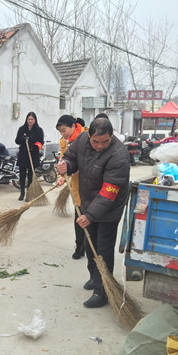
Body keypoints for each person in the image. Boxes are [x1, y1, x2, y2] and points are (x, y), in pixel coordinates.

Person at [57, 117, 130, 308]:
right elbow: (71, 157)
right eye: (95, 141)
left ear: (111, 136)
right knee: (90, 246)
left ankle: (102, 290)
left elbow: (109, 193)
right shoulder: (82, 140)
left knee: (103, 248)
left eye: (105, 141)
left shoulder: (119, 156)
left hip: (109, 208)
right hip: (88, 201)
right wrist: (66, 165)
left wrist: (90, 215)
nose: (99, 146)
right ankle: (94, 277)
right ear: (89, 136)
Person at [56, 115, 88, 260]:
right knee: (78, 214)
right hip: (77, 184)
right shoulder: (64, 142)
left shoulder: (88, 135)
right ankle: (79, 246)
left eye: (64, 130)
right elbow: (64, 159)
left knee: (91, 216)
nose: (63, 134)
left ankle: (90, 246)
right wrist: (62, 174)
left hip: (91, 183)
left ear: (73, 126)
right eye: (60, 132)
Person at [15, 112, 44, 201]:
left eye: (32, 119)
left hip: (33, 155)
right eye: (29, 119)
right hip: (23, 154)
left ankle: (29, 193)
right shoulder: (22, 129)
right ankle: (22, 193)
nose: (30, 121)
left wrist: (35, 147)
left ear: (35, 120)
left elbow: (40, 142)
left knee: (31, 175)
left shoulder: (39, 130)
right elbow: (17, 141)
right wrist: (22, 139)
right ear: (26, 120)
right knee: (22, 175)